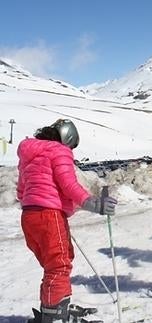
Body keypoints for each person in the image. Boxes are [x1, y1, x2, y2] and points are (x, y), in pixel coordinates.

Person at [17, 119, 118, 322]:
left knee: (55, 263)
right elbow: (69, 184)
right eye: (72, 146)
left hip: (29, 215)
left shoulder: (31, 154)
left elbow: (21, 190)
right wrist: (94, 204)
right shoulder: (59, 150)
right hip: (48, 215)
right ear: (68, 138)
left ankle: (55, 306)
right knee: (59, 265)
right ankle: (53, 314)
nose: (71, 150)